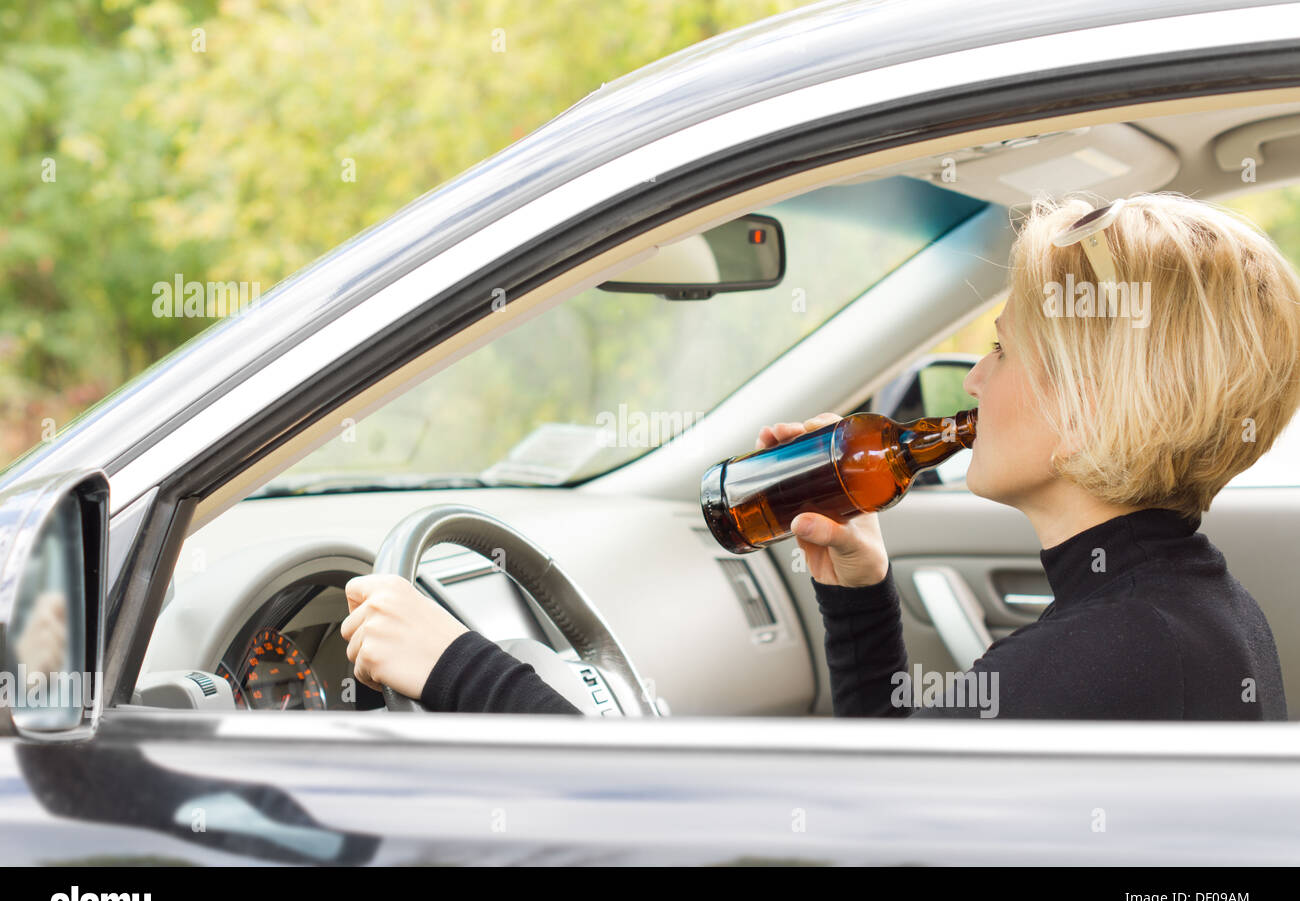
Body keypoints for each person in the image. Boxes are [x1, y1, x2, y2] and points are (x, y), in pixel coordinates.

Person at [340, 191, 1300, 719]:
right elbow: (893, 796)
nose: (972, 382)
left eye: (1005, 349)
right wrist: (856, 590)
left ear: (1088, 413)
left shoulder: (1109, 655)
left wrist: (464, 668)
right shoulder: (1184, 616)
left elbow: (727, 842)